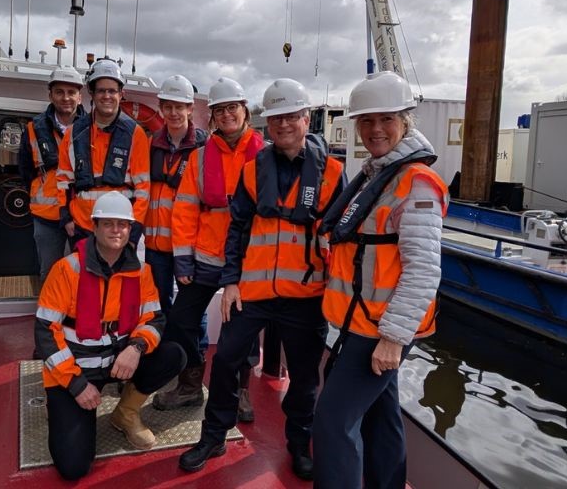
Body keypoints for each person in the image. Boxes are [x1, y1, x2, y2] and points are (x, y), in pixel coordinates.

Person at [179, 79, 345, 480]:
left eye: (291, 116)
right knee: (225, 361)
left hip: (305, 295)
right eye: (276, 118)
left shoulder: (332, 173)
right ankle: (214, 434)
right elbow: (237, 229)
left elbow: (340, 239)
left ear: (306, 118)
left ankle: (298, 444)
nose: (283, 124)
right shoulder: (253, 171)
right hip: (252, 291)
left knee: (304, 377)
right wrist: (231, 281)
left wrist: (335, 294)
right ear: (267, 123)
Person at [312, 71, 449, 488]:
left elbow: (423, 268)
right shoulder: (380, 174)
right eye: (367, 121)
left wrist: (393, 338)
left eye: (386, 119)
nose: (375, 129)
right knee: (380, 414)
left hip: (380, 328)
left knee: (333, 423)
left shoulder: (416, 184)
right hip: (362, 322)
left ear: (405, 121)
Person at [34, 191, 186, 481]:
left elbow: (154, 319)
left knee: (173, 355)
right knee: (73, 467)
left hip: (119, 362)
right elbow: (45, 332)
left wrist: (136, 347)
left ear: (130, 229)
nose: (116, 230)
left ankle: (125, 412)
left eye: (123, 224)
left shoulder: (141, 272)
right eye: (108, 224)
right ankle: (62, 406)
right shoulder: (67, 269)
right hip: (77, 369)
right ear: (94, 227)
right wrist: (76, 385)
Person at [154, 77, 265, 416]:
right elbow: (185, 208)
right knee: (181, 321)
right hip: (205, 257)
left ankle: (239, 392)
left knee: (243, 329)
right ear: (212, 116)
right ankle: (190, 386)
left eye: (233, 107)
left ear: (244, 110)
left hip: (246, 261)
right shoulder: (201, 157)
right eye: (220, 110)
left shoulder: (265, 155)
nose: (227, 115)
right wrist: (183, 260)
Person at [56, 58, 151, 248]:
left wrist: (134, 232)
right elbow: (63, 181)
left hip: (119, 231)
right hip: (82, 226)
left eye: (112, 91)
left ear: (121, 94)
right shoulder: (74, 133)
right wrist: (66, 218)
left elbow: (143, 188)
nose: (106, 96)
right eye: (101, 90)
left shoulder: (135, 134)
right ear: (91, 93)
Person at [144, 75, 208, 316]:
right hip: (156, 246)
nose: (173, 113)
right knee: (157, 305)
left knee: (193, 309)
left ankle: (196, 344)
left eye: (179, 107)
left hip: (190, 246)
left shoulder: (204, 147)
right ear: (161, 108)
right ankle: (160, 339)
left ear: (190, 109)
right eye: (168, 107)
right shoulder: (151, 144)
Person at [18, 66, 87, 282]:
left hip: (81, 215)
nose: (66, 98)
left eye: (71, 92)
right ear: (50, 95)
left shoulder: (92, 128)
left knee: (84, 273)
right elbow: (25, 170)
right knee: (49, 273)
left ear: (80, 97)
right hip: (46, 216)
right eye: (59, 92)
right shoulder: (33, 128)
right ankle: (49, 307)